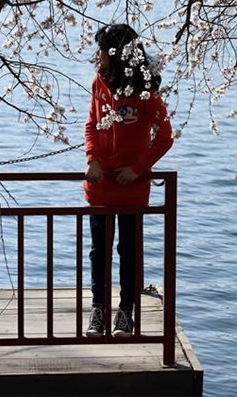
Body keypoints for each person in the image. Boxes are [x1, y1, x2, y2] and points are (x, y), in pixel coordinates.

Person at [83, 24, 173, 337]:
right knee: (99, 251)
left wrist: (138, 168)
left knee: (129, 250)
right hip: (100, 184)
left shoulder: (145, 90)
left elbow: (164, 136)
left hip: (131, 186)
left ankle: (126, 312)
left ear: (115, 54)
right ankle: (98, 310)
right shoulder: (98, 82)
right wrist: (92, 159)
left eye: (102, 49)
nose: (97, 56)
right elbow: (92, 125)